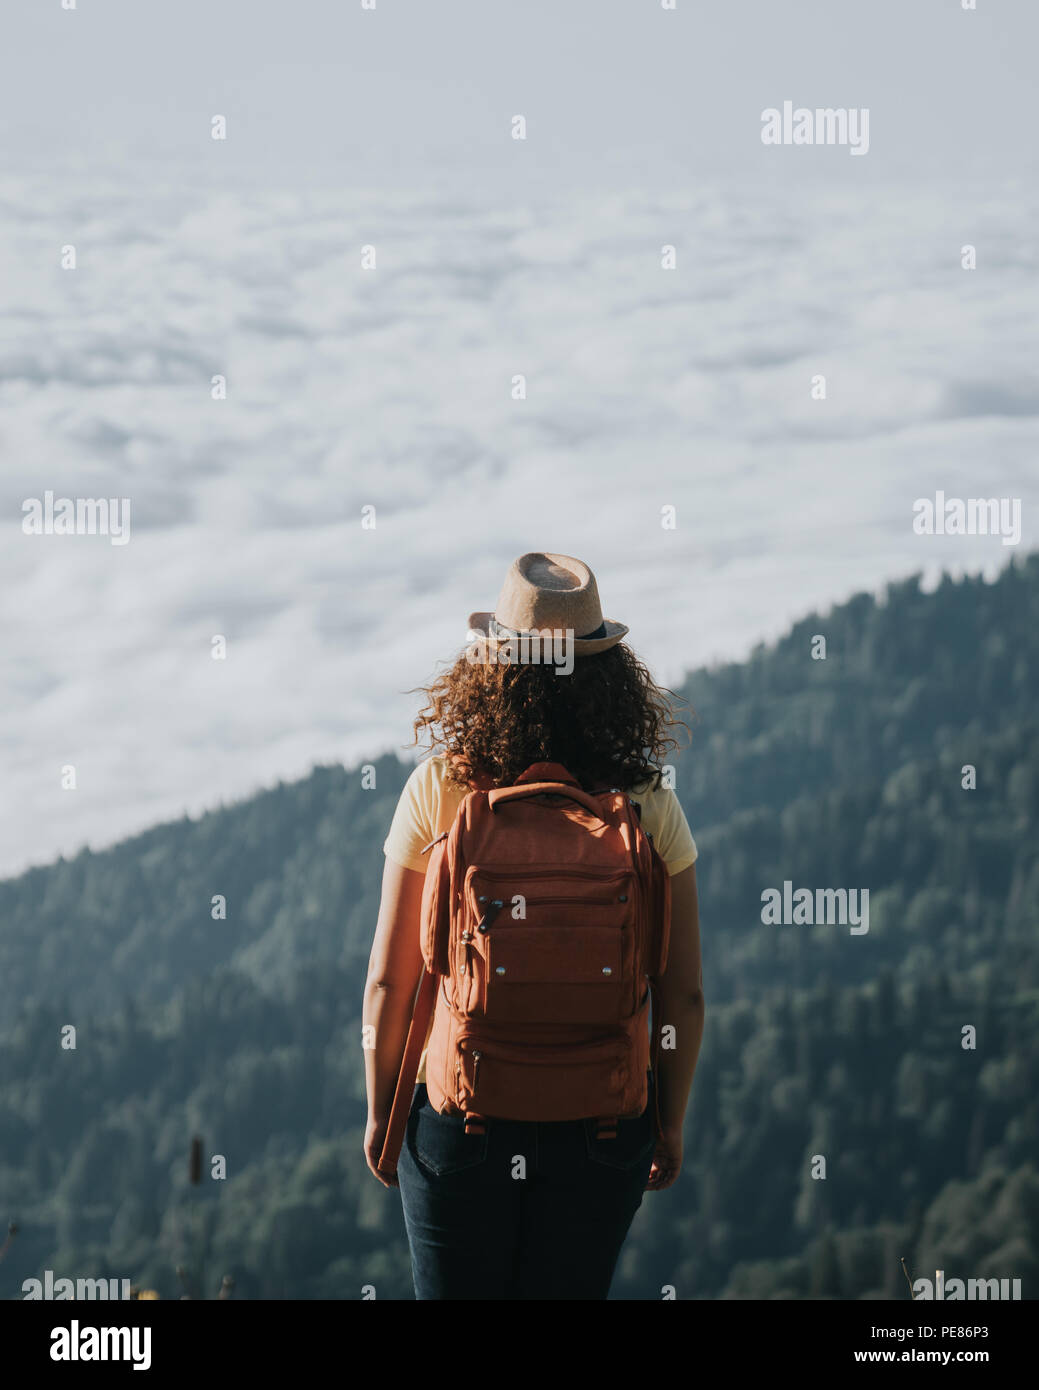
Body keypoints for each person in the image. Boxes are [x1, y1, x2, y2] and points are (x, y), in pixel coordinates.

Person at [363, 552, 705, 1299]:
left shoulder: (442, 786)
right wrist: (667, 1122)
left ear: (491, 665)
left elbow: (392, 979)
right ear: (608, 673)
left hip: (465, 1117)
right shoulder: (645, 801)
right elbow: (683, 1001)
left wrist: (381, 1109)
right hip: (604, 1124)